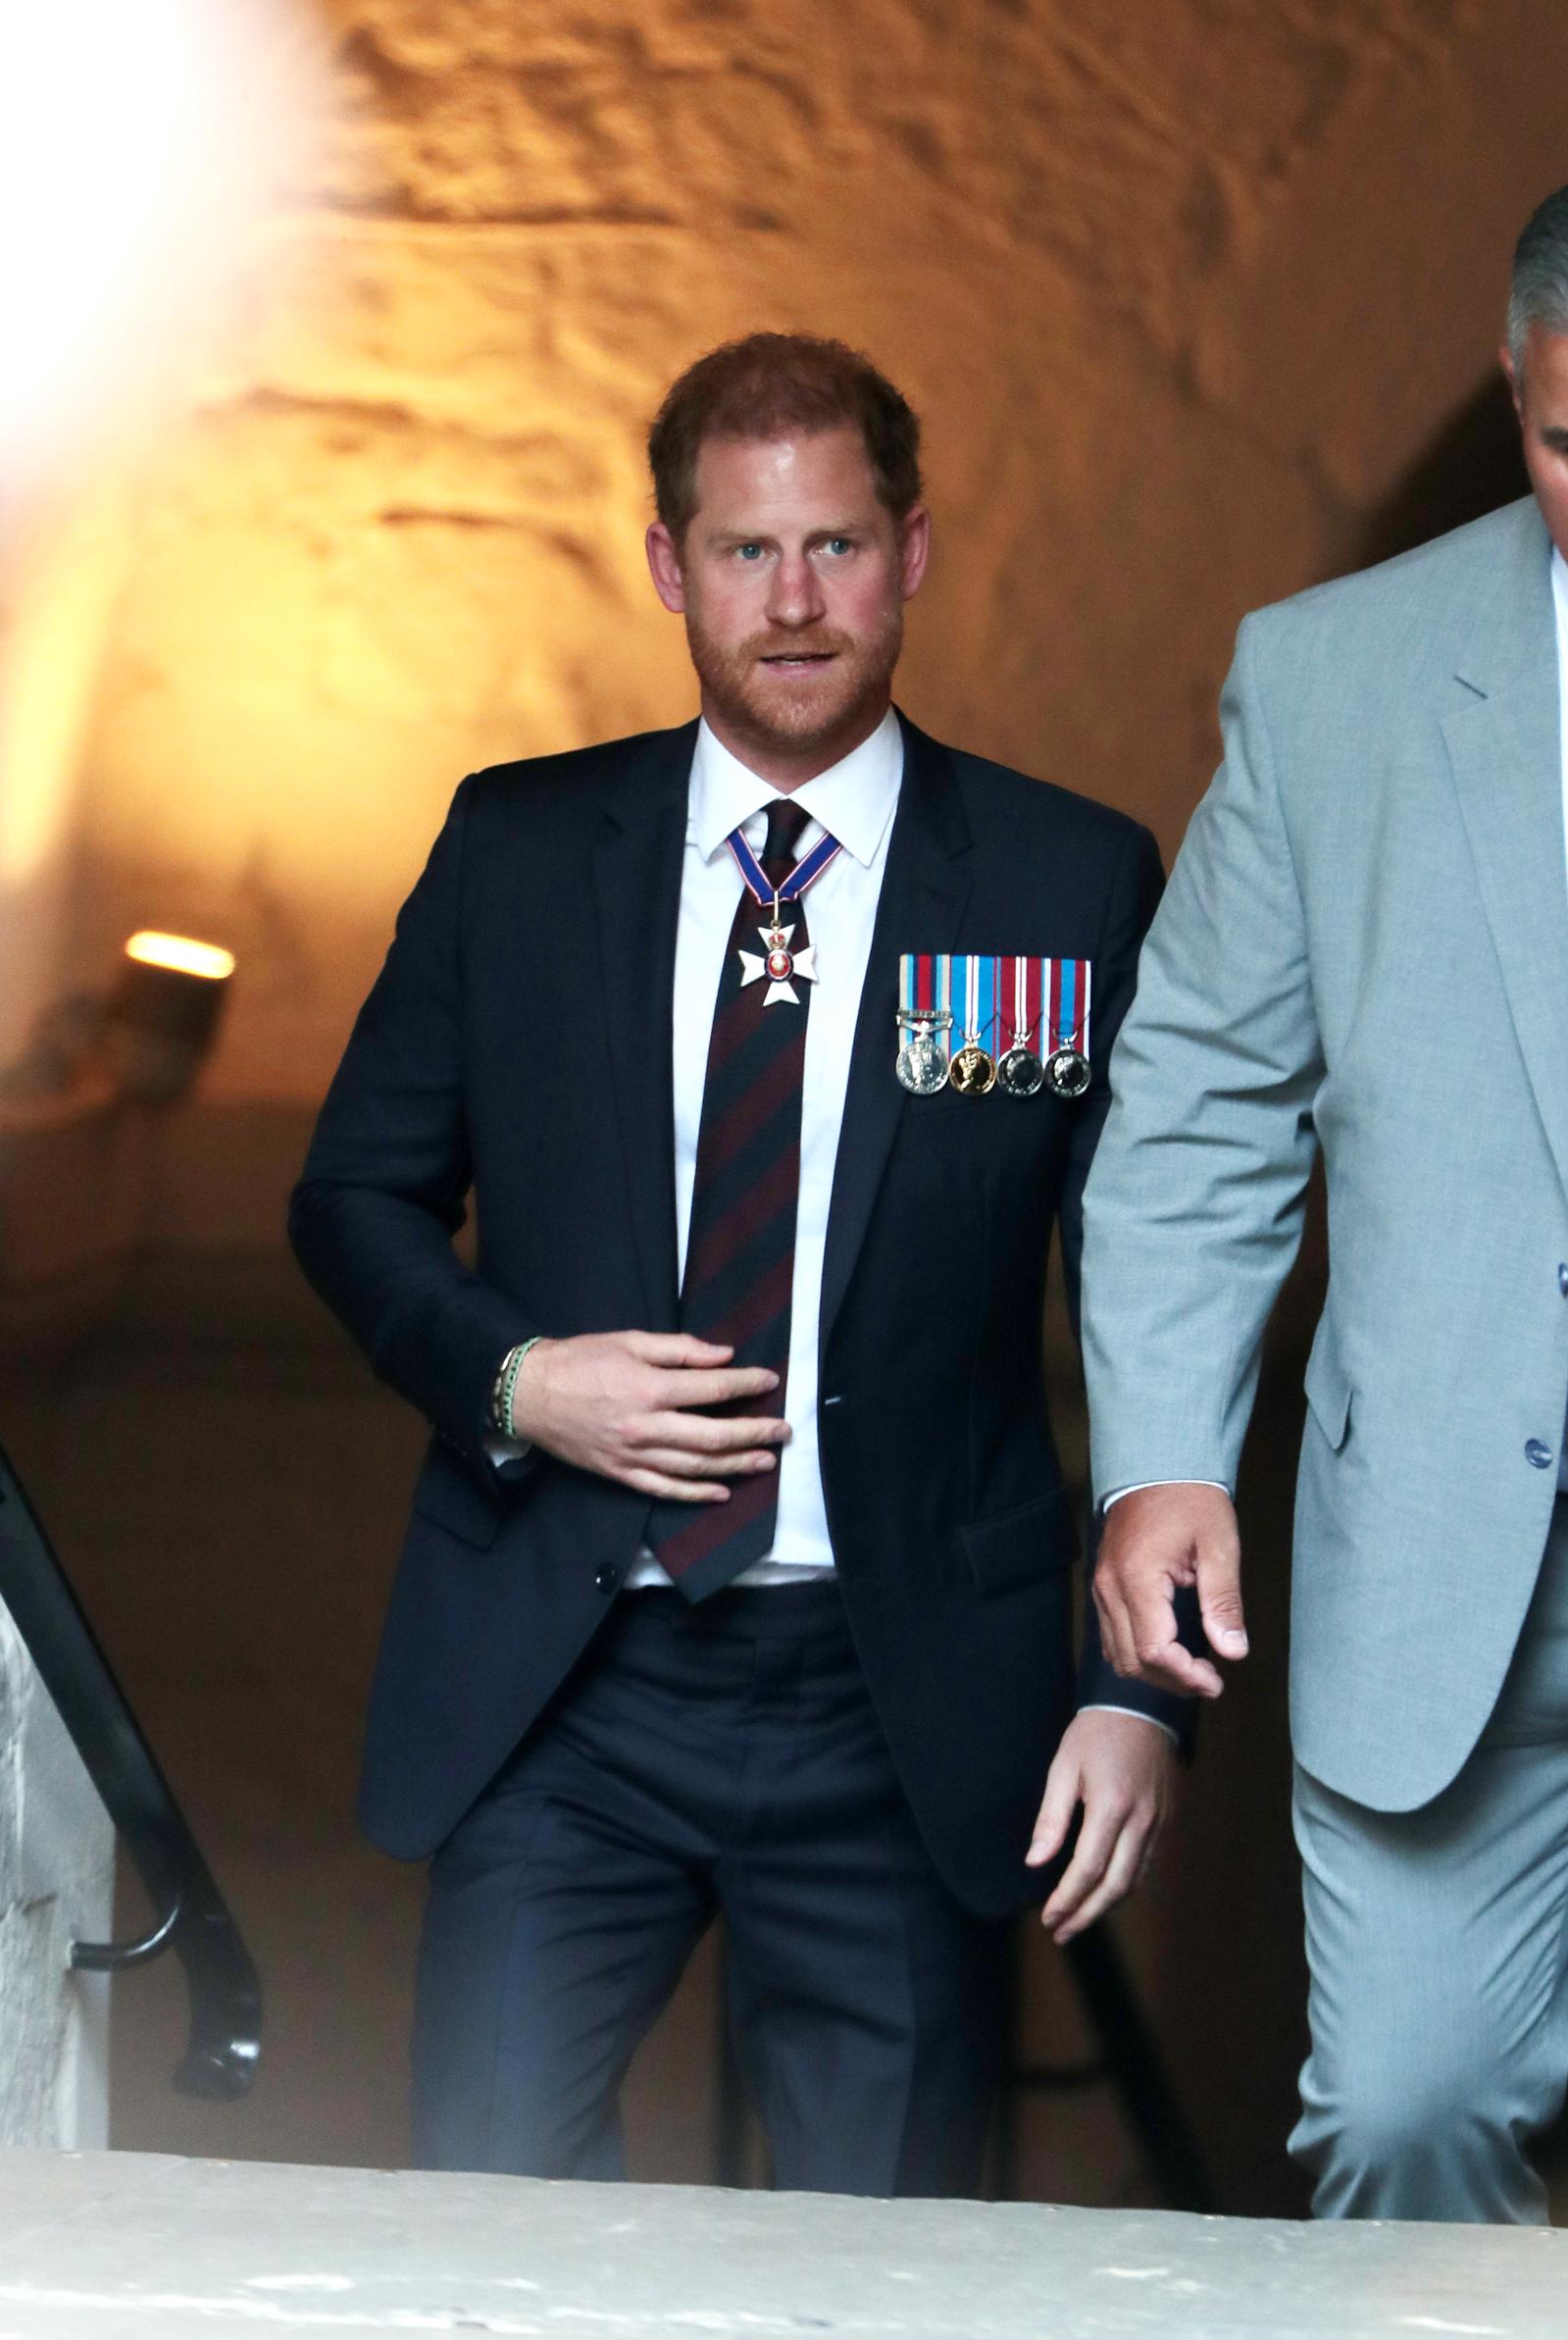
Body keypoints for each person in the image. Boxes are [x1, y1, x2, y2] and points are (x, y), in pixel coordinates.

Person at [289, 331, 1182, 2196]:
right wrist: (517, 1379)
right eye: (746, 553)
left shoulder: (1061, 885)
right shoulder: (518, 851)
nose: (793, 604)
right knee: (485, 2235)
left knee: (890, 2288)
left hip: (904, 1695)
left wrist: (1136, 1690)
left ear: (914, 552)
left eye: (838, 548)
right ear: (668, 565)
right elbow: (353, 1198)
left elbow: (1159, 1281)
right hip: (569, 1675)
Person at [1079, 187, 1568, 2223]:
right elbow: (1196, 1096)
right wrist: (1160, 1460)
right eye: (1563, 441)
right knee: (1392, 2111)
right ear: (1507, 376)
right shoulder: (1325, 678)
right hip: (1438, 1571)